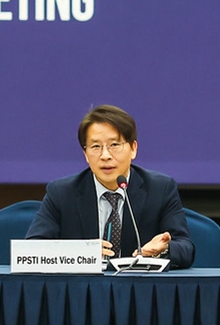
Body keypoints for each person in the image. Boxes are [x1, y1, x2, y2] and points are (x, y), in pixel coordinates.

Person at [26, 105, 194, 269]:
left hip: (138, 290)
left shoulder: (160, 189)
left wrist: (164, 249)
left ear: (133, 149)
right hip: (82, 292)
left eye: (114, 145)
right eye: (95, 147)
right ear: (85, 154)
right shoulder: (62, 193)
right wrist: (80, 253)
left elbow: (186, 248)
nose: (105, 156)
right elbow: (31, 250)